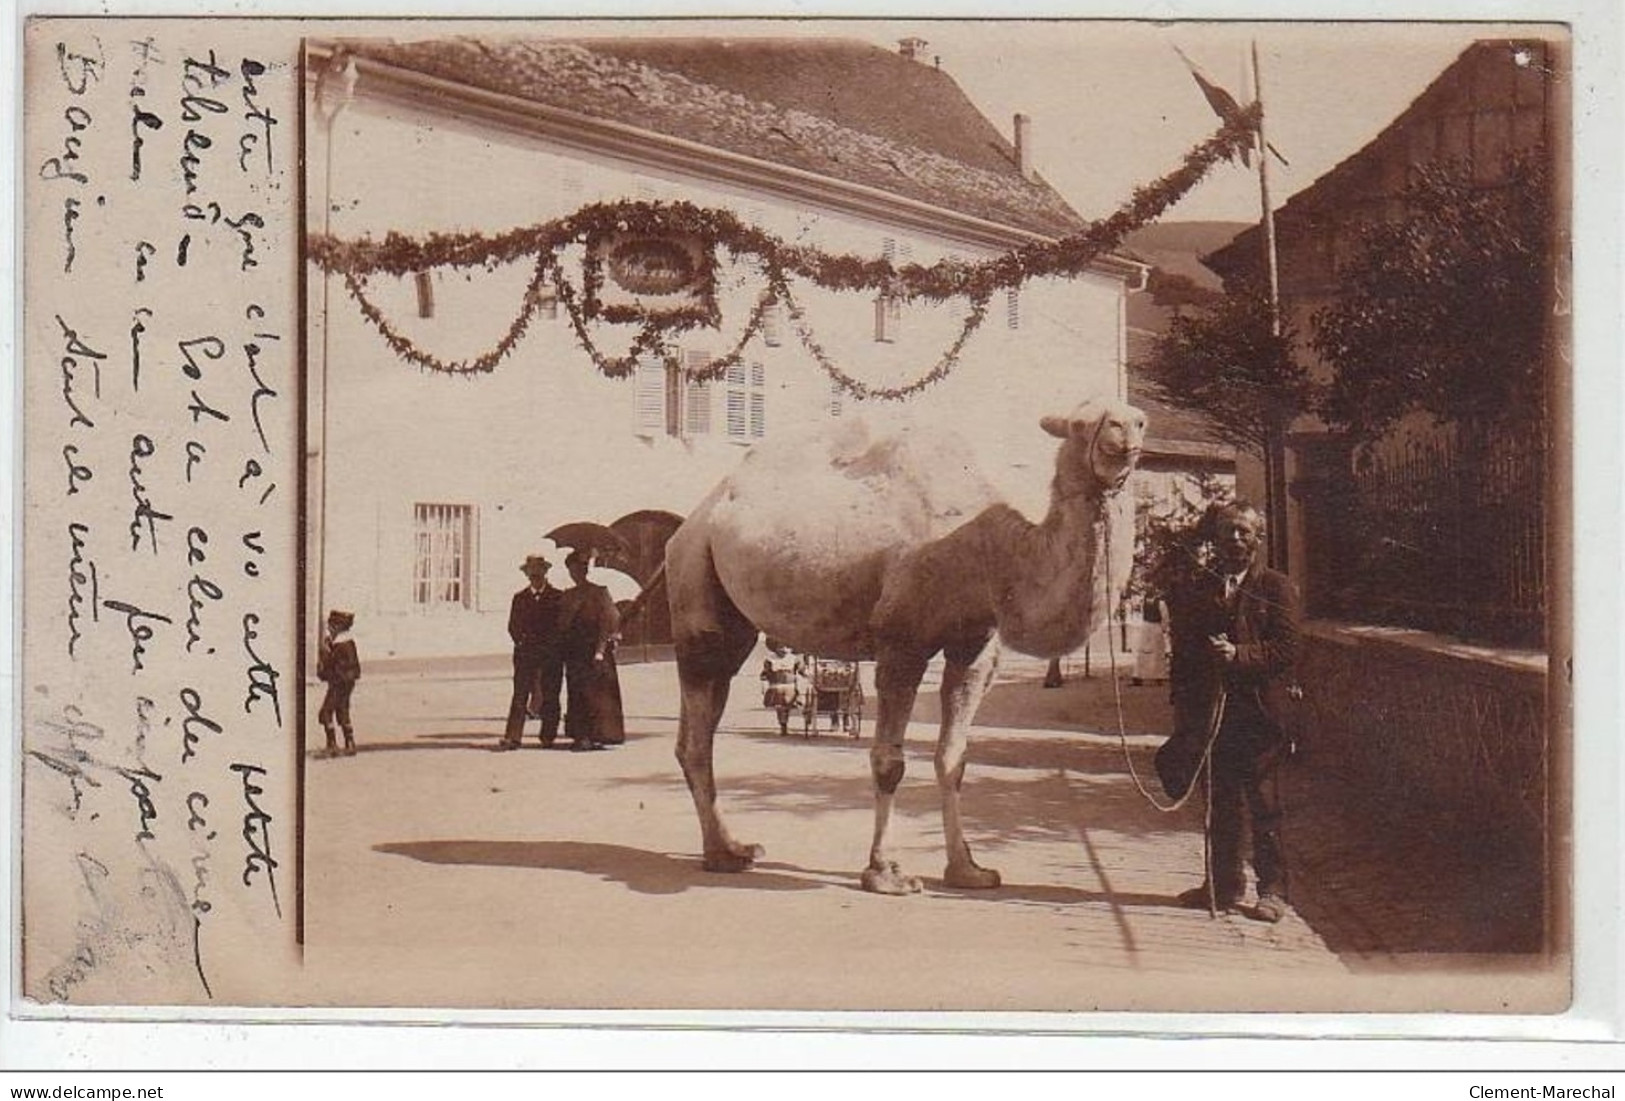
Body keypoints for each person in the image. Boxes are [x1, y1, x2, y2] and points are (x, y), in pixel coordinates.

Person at [1164, 500, 1301, 924]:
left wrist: (1238, 654)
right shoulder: (1200, 587)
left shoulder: (1275, 588)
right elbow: (1185, 652)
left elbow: (1287, 649)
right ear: (1216, 539)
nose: (1235, 539)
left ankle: (1273, 892)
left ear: (1258, 539)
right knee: (1220, 803)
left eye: (1244, 531)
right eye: (1227, 532)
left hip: (1259, 714)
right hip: (1214, 717)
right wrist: (1184, 709)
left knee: (1263, 803)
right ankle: (1222, 886)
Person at [558, 548, 625, 750]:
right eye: (574, 569)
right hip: (575, 653)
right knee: (577, 693)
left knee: (596, 694)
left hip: (596, 652)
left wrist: (600, 649)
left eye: (582, 568)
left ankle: (600, 735)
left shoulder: (599, 593)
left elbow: (609, 622)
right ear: (569, 571)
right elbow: (562, 624)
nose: (578, 572)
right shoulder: (567, 595)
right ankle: (580, 735)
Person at [497, 554, 564, 751]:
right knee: (520, 696)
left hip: (550, 654)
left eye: (539, 571)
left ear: (545, 572)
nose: (535, 576)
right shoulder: (519, 598)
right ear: (526, 575)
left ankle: (548, 736)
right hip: (526, 654)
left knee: (551, 694)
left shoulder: (557, 597)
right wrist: (522, 643)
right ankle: (513, 737)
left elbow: (561, 625)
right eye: (531, 573)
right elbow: (513, 626)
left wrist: (551, 646)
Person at [316, 609, 361, 758]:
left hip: (339, 683)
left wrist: (326, 655)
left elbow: (333, 667)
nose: (329, 628)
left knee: (326, 712)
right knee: (342, 710)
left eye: (331, 626)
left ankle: (332, 745)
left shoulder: (340, 645)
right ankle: (350, 743)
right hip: (347, 683)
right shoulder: (348, 644)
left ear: (338, 627)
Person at [760, 638, 802, 736]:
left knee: (787, 706)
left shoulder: (794, 659)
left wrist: (805, 673)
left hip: (790, 687)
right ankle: (783, 724)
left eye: (786, 647)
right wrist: (765, 675)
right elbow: (764, 673)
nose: (783, 649)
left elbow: (801, 670)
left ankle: (784, 722)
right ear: (775, 648)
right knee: (780, 707)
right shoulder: (770, 659)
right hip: (776, 686)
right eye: (780, 647)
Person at [1132, 595, 1171, 686]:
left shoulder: (1158, 603)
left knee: (1155, 653)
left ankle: (1156, 675)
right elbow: (1165, 618)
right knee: (1145, 652)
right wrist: (1163, 628)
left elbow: (1165, 618)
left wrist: (1163, 628)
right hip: (1149, 628)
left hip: (1151, 628)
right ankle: (1140, 675)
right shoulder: (1147, 602)